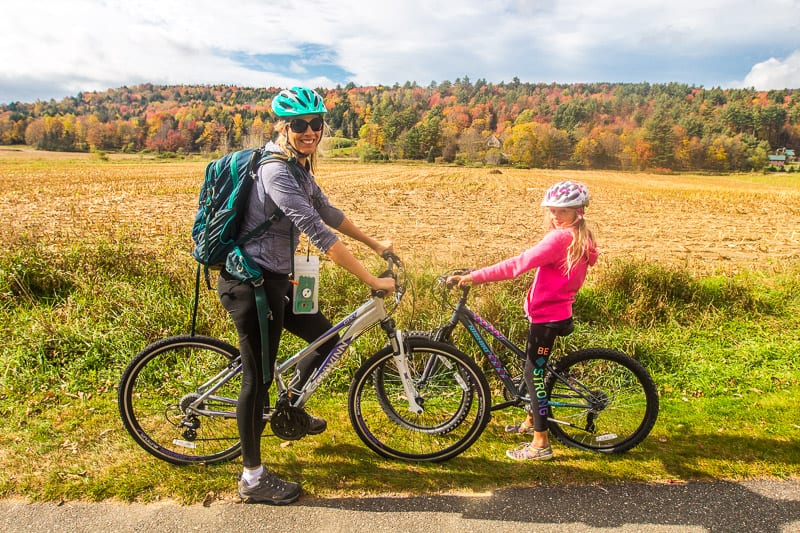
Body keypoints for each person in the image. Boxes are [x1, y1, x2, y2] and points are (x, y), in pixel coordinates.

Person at [217, 86, 395, 504]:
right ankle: (252, 478)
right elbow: (318, 231)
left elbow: (328, 211)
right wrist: (371, 278)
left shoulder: (298, 168)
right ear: (283, 127)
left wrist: (378, 246)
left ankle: (290, 407)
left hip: (276, 279)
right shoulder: (276, 171)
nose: (310, 131)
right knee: (257, 380)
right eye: (300, 124)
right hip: (252, 284)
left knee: (326, 337)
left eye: (316, 123)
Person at [447, 181, 598, 461]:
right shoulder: (580, 237)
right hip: (555, 313)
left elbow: (518, 265)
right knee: (532, 365)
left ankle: (541, 444)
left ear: (578, 211)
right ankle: (531, 419)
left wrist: (474, 276)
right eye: (552, 210)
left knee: (533, 375)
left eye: (562, 211)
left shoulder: (560, 239)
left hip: (547, 319)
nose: (555, 215)